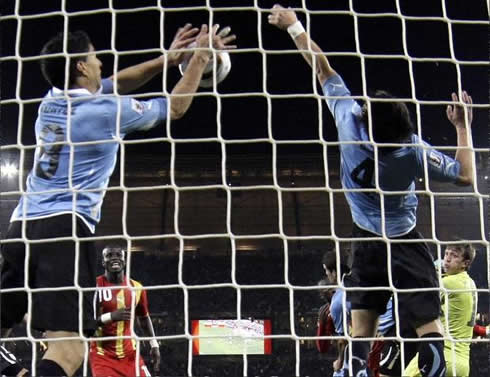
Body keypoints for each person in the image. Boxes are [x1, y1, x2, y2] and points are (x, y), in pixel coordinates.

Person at [0, 24, 236, 376]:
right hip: (64, 232)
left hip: (20, 229)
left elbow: (118, 82)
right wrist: (200, 59)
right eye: (94, 57)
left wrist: (167, 60)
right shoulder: (105, 114)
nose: (100, 63)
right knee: (68, 350)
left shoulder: (52, 100)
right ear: (81, 66)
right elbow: (175, 107)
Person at [268, 4, 474, 377]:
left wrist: (293, 25)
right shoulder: (411, 150)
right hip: (406, 243)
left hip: (365, 242)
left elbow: (322, 67)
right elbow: (464, 177)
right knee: (431, 334)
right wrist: (462, 127)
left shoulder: (349, 123)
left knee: (361, 333)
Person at [403, 243, 482, 376]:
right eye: (446, 254)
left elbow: (415, 299)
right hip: (462, 365)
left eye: (454, 256)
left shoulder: (448, 283)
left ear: (465, 263)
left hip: (441, 355)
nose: (447, 259)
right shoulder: (471, 283)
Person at [90, 246, 159, 377]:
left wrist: (154, 344)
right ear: (103, 262)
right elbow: (86, 323)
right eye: (109, 255)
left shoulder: (136, 288)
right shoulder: (94, 287)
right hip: (102, 356)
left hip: (130, 355)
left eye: (119, 255)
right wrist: (111, 316)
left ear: (125, 260)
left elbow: (144, 318)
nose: (115, 258)